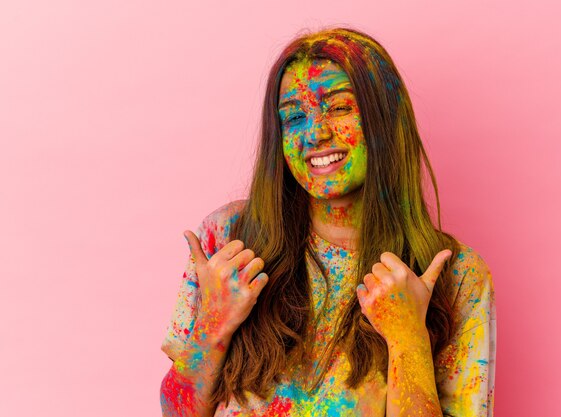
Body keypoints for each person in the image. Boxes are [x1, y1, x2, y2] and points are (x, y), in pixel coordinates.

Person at [159, 27, 496, 417]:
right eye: (295, 117)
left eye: (338, 108)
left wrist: (409, 342)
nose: (315, 132)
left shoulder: (457, 277)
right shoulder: (229, 239)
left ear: (384, 121)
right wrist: (212, 326)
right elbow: (176, 413)